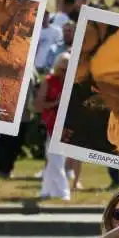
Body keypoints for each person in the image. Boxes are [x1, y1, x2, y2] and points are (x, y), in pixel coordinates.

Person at [36, 52, 71, 201]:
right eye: (62, 67)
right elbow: (38, 105)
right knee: (55, 157)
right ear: (57, 66)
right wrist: (55, 103)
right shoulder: (49, 81)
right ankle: (63, 192)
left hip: (67, 124)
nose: (64, 71)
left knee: (55, 158)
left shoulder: (73, 82)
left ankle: (46, 190)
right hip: (51, 122)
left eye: (67, 67)